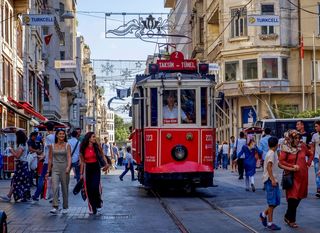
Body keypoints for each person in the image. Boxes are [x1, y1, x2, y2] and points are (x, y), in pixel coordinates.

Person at [279, 129, 313, 228]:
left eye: (299, 138)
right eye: (295, 138)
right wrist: (292, 166)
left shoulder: (302, 146)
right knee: (292, 198)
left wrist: (308, 163)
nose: (298, 140)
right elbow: (281, 161)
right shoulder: (286, 148)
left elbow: (310, 154)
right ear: (290, 138)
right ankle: (292, 220)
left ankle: (287, 215)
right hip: (292, 176)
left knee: (299, 197)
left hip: (303, 176)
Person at [79, 132, 109, 215]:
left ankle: (98, 203)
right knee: (89, 189)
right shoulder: (83, 147)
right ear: (88, 138)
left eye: (95, 137)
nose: (94, 138)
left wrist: (106, 164)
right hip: (87, 168)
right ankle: (93, 207)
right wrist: (81, 173)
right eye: (93, 137)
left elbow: (102, 156)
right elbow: (82, 161)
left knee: (95, 187)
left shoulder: (97, 146)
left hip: (96, 167)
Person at [46, 129, 72, 215]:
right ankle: (55, 206)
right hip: (55, 169)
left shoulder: (67, 145)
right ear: (56, 135)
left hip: (65, 168)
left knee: (65, 188)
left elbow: (69, 157)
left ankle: (65, 206)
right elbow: (50, 159)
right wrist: (48, 171)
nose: (62, 135)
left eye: (63, 134)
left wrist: (68, 167)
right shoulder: (52, 146)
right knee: (55, 187)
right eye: (60, 134)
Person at [0, 130, 31, 202]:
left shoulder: (21, 145)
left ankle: (10, 196)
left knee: (17, 180)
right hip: (23, 165)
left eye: (16, 136)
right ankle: (10, 195)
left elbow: (17, 156)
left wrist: (11, 150)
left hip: (21, 165)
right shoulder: (24, 144)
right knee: (17, 180)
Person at [259, 136, 282, 231]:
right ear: (277, 145)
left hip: (273, 180)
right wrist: (272, 179)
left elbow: (277, 164)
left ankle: (263, 214)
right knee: (272, 203)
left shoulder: (273, 153)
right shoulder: (271, 153)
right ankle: (270, 223)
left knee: (276, 201)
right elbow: (269, 167)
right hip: (270, 180)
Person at [32, 123, 55, 201]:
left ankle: (36, 195)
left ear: (47, 129)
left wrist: (44, 142)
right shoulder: (56, 136)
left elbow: (50, 148)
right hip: (53, 160)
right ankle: (55, 196)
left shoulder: (48, 137)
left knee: (41, 178)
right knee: (54, 179)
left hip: (48, 161)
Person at [311, 120, 320, 197]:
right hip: (317, 157)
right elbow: (312, 147)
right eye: (315, 126)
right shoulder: (314, 136)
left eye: (316, 126)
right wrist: (311, 158)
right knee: (317, 174)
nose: (315, 128)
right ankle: (318, 189)